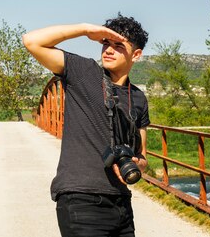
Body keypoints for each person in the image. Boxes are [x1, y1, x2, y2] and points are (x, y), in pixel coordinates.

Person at [22, 13, 150, 237]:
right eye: (105, 43)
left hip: (121, 203)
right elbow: (32, 41)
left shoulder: (138, 98)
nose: (108, 50)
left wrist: (136, 164)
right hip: (80, 200)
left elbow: (143, 157)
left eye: (118, 45)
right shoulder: (83, 72)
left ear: (136, 54)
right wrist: (85, 29)